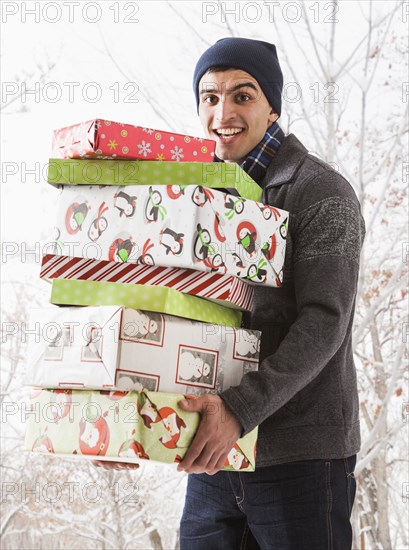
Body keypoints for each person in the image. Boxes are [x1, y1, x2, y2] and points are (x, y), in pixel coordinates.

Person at [176, 37, 366, 550]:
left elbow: (326, 319)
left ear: (272, 107)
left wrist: (240, 409)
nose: (223, 113)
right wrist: (133, 420)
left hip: (299, 460)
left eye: (243, 95)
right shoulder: (200, 197)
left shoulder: (322, 191)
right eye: (210, 98)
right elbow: (179, 318)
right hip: (216, 455)